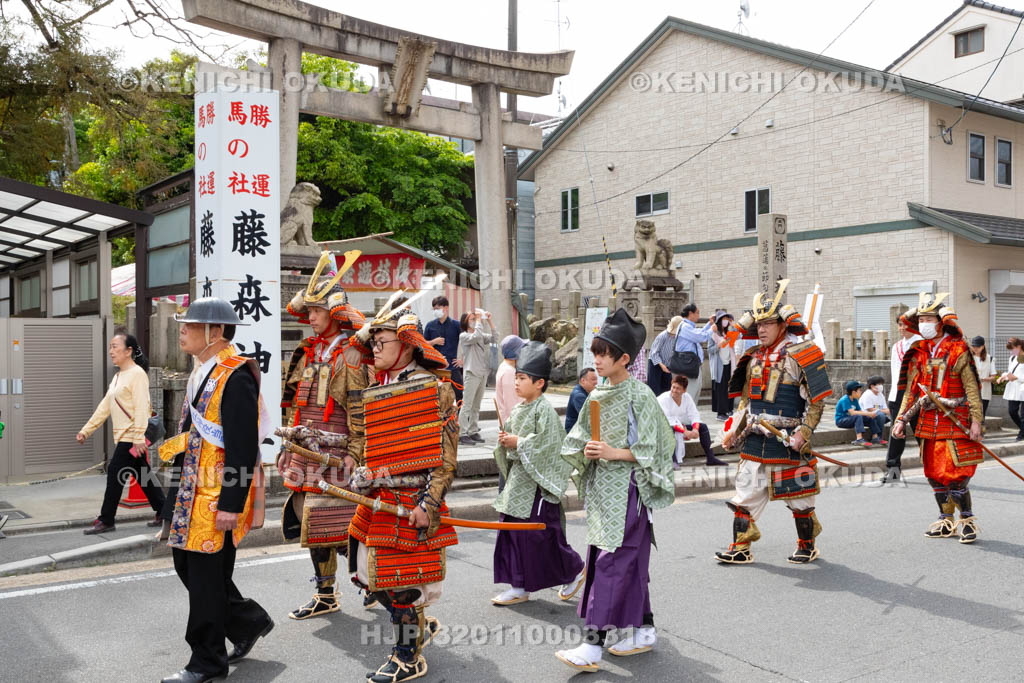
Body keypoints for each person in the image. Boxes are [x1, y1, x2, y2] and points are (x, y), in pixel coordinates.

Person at [157, 297, 273, 683]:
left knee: (206, 578)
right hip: (190, 491)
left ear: (216, 332)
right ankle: (246, 622)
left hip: (215, 498)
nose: (182, 331)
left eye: (190, 325)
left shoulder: (236, 375)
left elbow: (242, 447)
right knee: (189, 568)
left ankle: (206, 662)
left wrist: (231, 503)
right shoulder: (201, 372)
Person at [555, 309, 675, 673]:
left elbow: (657, 448)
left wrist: (612, 452)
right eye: (595, 352)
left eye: (605, 353)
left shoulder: (640, 395)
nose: (597, 360)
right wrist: (581, 454)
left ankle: (593, 645)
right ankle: (644, 629)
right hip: (602, 495)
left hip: (630, 493)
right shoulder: (597, 394)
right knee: (625, 561)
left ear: (625, 358)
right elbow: (575, 439)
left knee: (610, 563)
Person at [350, 306, 459, 682]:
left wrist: (429, 504)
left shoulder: (435, 389)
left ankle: (408, 656)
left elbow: (445, 459)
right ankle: (416, 630)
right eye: (374, 343)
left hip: (413, 500)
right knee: (368, 574)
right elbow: (365, 446)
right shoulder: (376, 385)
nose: (374, 349)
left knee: (403, 586)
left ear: (408, 346)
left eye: (382, 342)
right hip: (379, 498)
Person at [278, 253, 370, 620]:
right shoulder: (307, 351)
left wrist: (356, 451)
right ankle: (325, 593)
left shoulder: (351, 355)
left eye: (316, 311)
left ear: (333, 312)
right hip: (305, 449)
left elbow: (360, 407)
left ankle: (371, 583)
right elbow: (293, 405)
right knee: (309, 522)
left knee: (343, 524)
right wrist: (288, 447)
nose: (310, 317)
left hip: (337, 451)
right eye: (310, 311)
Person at [714, 280, 832, 565]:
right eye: (759, 323)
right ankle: (740, 548)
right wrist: (733, 430)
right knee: (745, 494)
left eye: (769, 323)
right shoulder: (752, 358)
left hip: (788, 438)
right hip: (755, 438)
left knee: (800, 499)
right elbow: (745, 403)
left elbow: (817, 400)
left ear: (783, 325)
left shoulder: (802, 354)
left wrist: (804, 432)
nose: (762, 329)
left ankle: (807, 544)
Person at [492, 341, 586, 606]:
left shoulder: (545, 410)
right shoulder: (520, 408)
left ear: (539, 383)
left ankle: (576, 569)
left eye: (522, 378)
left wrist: (518, 442)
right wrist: (505, 441)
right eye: (516, 377)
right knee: (511, 532)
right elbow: (512, 445)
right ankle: (518, 585)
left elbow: (549, 446)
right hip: (518, 484)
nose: (516, 383)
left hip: (537, 487)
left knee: (541, 536)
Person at [893, 293, 984, 543]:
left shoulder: (958, 349)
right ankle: (946, 520)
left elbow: (972, 389)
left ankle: (966, 520)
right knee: (934, 473)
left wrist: (976, 420)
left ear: (941, 321)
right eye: (921, 318)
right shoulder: (918, 351)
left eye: (929, 318)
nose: (924, 322)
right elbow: (911, 391)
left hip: (955, 420)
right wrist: (900, 419)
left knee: (957, 474)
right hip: (927, 423)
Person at [78, 329, 165, 534]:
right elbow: (105, 406)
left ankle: (106, 519)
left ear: (128, 351)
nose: (111, 351)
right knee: (143, 475)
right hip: (128, 437)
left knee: (115, 475)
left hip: (131, 437)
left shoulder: (137, 375)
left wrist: (137, 438)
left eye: (115, 346)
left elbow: (142, 407)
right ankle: (164, 511)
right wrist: (86, 430)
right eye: (110, 347)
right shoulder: (118, 377)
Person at [657, 374, 728, 468]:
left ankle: (710, 458)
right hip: (661, 428)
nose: (674, 390)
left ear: (684, 390)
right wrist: (685, 432)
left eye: (678, 388)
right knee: (670, 429)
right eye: (673, 387)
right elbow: (667, 422)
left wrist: (695, 429)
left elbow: (694, 414)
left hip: (679, 426)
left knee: (703, 427)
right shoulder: (663, 399)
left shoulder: (687, 397)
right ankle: (672, 460)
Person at [883, 314, 922, 482]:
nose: (902, 328)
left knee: (921, 431)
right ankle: (893, 469)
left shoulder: (922, 344)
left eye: (906, 324)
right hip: (898, 394)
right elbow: (894, 373)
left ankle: (934, 465)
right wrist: (892, 396)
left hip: (918, 393)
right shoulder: (897, 346)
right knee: (896, 431)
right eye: (900, 324)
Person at [457, 309, 495, 445]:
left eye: (475, 318)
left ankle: (473, 430)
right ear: (465, 322)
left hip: (482, 372)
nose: (474, 321)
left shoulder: (479, 333)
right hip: (471, 373)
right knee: (467, 404)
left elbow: (494, 338)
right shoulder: (464, 336)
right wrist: (479, 320)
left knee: (476, 405)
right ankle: (462, 433)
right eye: (471, 319)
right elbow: (476, 337)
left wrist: (489, 321)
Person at [673, 303, 714, 404]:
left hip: (691, 365)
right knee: (689, 395)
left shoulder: (687, 326)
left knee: (694, 394)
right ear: (690, 313)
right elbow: (700, 337)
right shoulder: (685, 326)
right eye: (697, 313)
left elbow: (698, 332)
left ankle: (690, 417)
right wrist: (711, 330)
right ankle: (686, 419)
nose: (699, 316)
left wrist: (709, 324)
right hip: (688, 366)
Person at [425, 295, 463, 402]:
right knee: (437, 397)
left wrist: (462, 359)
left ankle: (459, 418)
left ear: (446, 308)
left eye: (438, 308)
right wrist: (434, 342)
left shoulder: (456, 325)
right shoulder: (430, 325)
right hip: (435, 367)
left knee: (459, 394)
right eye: (434, 309)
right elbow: (423, 344)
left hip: (452, 367)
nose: (436, 311)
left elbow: (467, 343)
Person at [710, 311, 738, 421]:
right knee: (721, 389)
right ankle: (721, 412)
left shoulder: (728, 333)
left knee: (730, 387)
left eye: (728, 319)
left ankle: (729, 409)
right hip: (720, 364)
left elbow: (739, 335)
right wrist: (719, 345)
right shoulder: (713, 334)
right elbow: (710, 350)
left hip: (730, 363)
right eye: (724, 319)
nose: (726, 321)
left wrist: (732, 325)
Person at [996, 337, 1024, 441]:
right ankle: (1023, 429)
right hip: (1013, 389)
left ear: (1019, 346)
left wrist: (1017, 377)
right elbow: (1010, 372)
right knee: (1012, 411)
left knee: (1023, 415)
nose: (1011, 351)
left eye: (1013, 349)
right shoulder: (1012, 358)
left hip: (1022, 388)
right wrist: (1003, 377)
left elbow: (1017, 375)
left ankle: (1021, 435)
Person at [494, 335, 526, 425]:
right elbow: (511, 404)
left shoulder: (505, 367)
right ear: (516, 352)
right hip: (513, 423)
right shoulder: (509, 372)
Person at [647, 316, 681, 396]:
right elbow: (654, 353)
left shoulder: (677, 337)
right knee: (655, 390)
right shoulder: (662, 336)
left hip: (667, 365)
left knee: (667, 389)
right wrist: (662, 366)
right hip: (656, 364)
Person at [969, 336, 996, 417]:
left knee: (982, 414)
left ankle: (981, 429)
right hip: (971, 390)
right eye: (973, 346)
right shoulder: (969, 358)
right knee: (971, 415)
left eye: (978, 346)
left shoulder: (990, 358)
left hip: (985, 390)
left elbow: (993, 376)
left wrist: (984, 379)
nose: (975, 348)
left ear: (983, 346)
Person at [565, 367, 598, 433]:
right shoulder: (578, 395)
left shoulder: (585, 391)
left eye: (596, 379)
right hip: (574, 432)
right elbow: (588, 416)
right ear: (583, 381)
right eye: (593, 379)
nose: (596, 382)